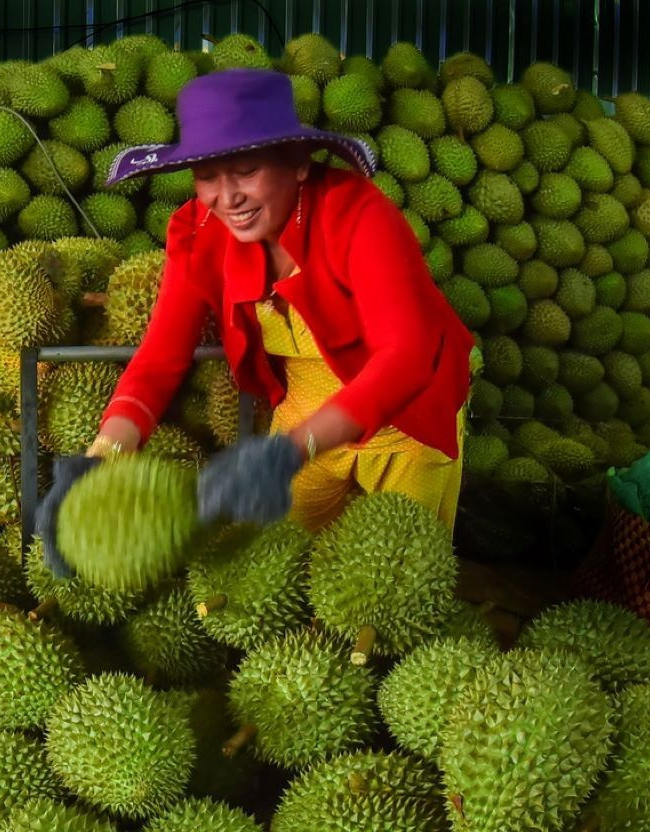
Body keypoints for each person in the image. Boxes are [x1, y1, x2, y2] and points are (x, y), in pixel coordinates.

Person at [87, 67, 475, 531]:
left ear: (299, 163)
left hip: (408, 416)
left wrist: (291, 449)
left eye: (247, 171)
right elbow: (160, 359)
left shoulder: (360, 215)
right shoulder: (198, 232)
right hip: (303, 412)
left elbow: (407, 358)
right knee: (258, 563)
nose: (227, 198)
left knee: (397, 586)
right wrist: (109, 447)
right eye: (207, 176)